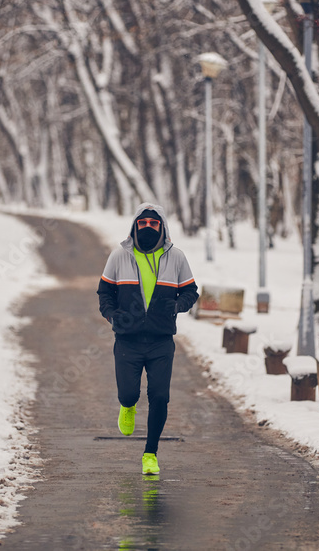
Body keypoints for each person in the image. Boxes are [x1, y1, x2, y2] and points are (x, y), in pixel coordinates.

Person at [97, 203, 199, 475]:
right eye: (143, 224)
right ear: (134, 226)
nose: (148, 228)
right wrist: (112, 315)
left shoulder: (176, 257)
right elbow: (104, 292)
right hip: (127, 339)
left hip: (160, 340)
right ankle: (127, 406)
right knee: (129, 393)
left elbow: (191, 291)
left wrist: (178, 306)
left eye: (154, 224)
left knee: (160, 396)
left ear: (162, 227)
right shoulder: (119, 256)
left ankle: (150, 453)